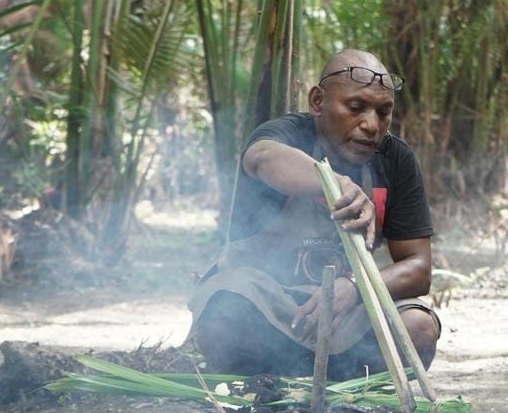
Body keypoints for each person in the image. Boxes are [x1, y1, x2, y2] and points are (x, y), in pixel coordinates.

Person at [187, 49, 440, 381]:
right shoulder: (286, 134)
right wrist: (335, 184)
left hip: (349, 308)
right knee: (223, 321)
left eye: (383, 112)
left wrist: (354, 287)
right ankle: (270, 385)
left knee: (419, 327)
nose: (371, 125)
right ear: (318, 101)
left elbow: (419, 269)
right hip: (267, 303)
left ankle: (339, 390)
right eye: (356, 108)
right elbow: (263, 158)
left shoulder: (396, 159)